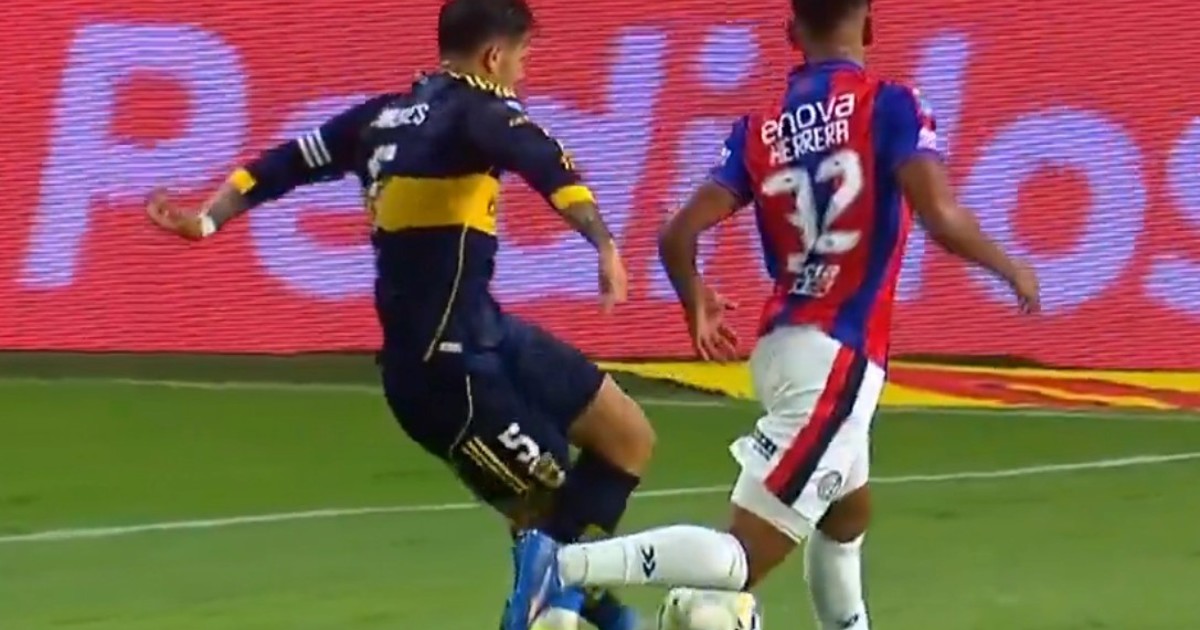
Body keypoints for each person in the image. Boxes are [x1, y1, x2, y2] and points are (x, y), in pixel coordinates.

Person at [502, 0, 1041, 628]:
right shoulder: (890, 104)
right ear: (870, 25)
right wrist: (1010, 266)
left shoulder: (760, 128)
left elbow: (676, 234)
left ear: (791, 33)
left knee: (846, 515)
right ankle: (564, 566)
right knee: (741, 557)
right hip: (839, 356)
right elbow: (940, 215)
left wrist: (696, 299)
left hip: (786, 343)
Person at [145, 1, 654, 628]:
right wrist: (603, 243)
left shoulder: (378, 119)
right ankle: (559, 613)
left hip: (485, 333)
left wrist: (207, 220)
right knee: (554, 509)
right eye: (522, 56)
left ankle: (586, 608)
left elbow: (281, 164)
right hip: (445, 374)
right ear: (494, 56)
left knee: (624, 437)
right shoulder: (482, 111)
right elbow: (550, 166)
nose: (523, 71)